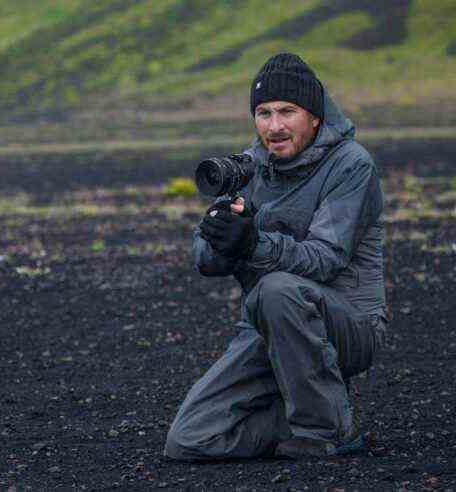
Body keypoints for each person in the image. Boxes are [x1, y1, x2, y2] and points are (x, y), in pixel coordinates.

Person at [164, 53, 387, 460]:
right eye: (263, 113)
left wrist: (253, 244)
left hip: (349, 325)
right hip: (269, 326)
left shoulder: (352, 165)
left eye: (288, 111)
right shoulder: (250, 168)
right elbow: (203, 261)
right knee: (189, 441)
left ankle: (329, 429)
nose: (274, 126)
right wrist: (223, 238)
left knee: (277, 289)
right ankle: (305, 402)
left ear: (315, 117)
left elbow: (325, 258)